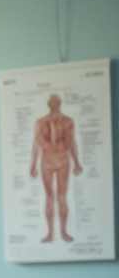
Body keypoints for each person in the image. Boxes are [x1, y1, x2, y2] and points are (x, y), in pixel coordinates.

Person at [30, 93, 82, 243]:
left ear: (59, 104)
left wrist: (77, 162)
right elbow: (37, 144)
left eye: (56, 102)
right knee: (49, 198)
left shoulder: (68, 121)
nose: (54, 105)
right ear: (49, 104)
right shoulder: (40, 122)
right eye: (52, 103)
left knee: (61, 198)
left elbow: (71, 142)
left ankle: (63, 232)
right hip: (46, 160)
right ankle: (50, 233)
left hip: (63, 160)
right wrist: (33, 163)